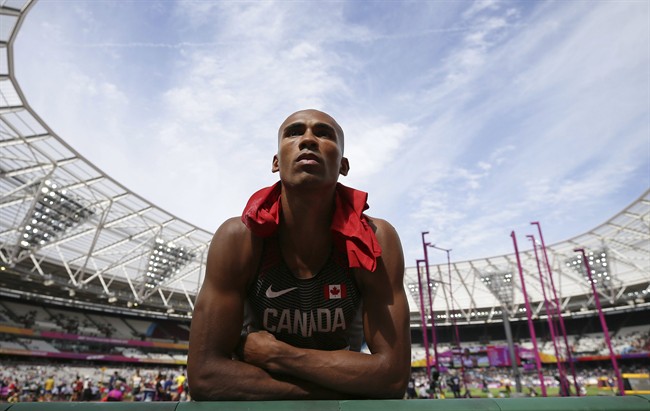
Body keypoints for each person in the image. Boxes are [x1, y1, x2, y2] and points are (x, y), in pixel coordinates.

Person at [188, 109, 411, 400]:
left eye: (323, 133)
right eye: (294, 132)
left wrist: (279, 355)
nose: (308, 139)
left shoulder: (376, 239)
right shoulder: (240, 238)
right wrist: (339, 388)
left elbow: (392, 378)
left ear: (343, 165)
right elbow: (205, 377)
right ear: (276, 162)